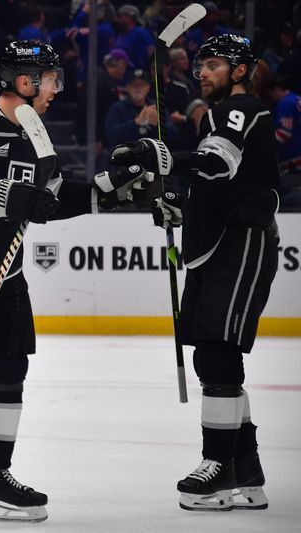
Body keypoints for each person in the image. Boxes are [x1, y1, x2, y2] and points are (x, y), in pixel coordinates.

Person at [0, 40, 155, 528]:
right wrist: (7, 197)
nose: (58, 88)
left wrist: (112, 190)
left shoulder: (39, 138)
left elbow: (50, 200)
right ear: (23, 82)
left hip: (5, 270)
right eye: (51, 79)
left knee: (9, 370)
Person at [144, 34, 279, 512]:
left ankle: (218, 465)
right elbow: (214, 183)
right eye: (202, 65)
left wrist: (161, 159)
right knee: (211, 357)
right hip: (217, 245)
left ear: (241, 71)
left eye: (215, 65)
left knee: (219, 353)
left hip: (241, 243)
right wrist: (177, 202)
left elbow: (219, 163)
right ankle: (245, 471)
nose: (204, 72)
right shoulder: (218, 115)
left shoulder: (238, 108)